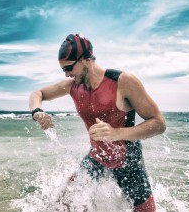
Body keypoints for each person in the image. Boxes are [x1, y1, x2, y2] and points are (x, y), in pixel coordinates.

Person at [29, 34, 166, 212]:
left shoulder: (123, 81)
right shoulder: (73, 86)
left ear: (86, 60)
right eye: (63, 69)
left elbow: (159, 123)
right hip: (98, 157)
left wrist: (116, 133)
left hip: (128, 162)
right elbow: (37, 93)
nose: (66, 73)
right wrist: (37, 111)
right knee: (61, 203)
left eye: (69, 67)